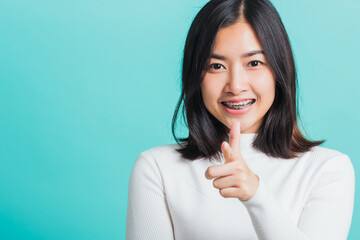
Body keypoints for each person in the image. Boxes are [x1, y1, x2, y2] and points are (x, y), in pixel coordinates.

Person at [126, 0, 355, 239]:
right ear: (195, 75)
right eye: (216, 66)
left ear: (279, 70)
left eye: (254, 63)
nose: (235, 86)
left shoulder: (327, 170)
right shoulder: (157, 168)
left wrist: (256, 197)